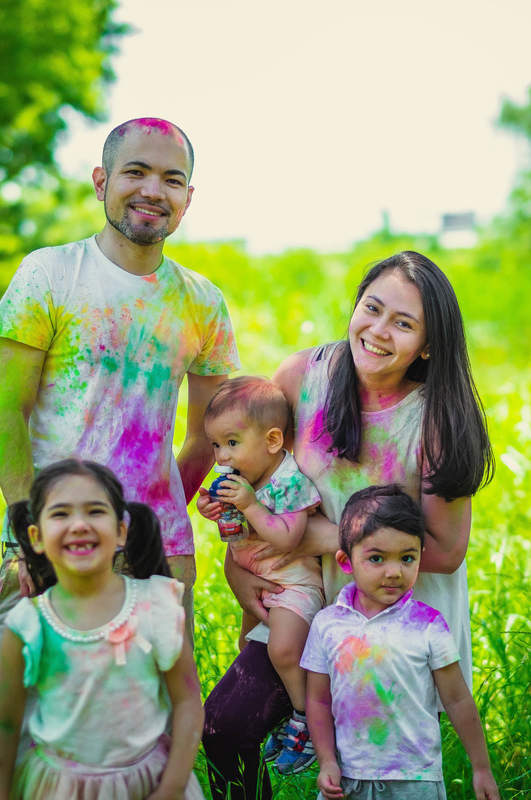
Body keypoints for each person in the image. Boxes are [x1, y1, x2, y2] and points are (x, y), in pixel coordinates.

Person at [0, 117, 240, 798]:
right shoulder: (49, 275)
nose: (154, 190)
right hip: (49, 539)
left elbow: (209, 433)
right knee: (15, 732)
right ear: (102, 182)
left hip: (157, 555)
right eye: (136, 173)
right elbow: (8, 412)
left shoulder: (202, 302)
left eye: (172, 179)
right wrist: (32, 525)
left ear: (188, 197)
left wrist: (152, 520)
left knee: (149, 737)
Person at [201, 251, 494, 800]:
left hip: (389, 621)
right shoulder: (301, 378)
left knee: (371, 781)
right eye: (372, 308)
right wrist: (237, 566)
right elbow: (258, 476)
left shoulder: (435, 419)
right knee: (222, 729)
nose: (378, 331)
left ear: (428, 344)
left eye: (403, 324)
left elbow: (447, 549)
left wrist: (317, 537)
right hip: (305, 600)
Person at [0, 459, 204, 800]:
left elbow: (188, 702)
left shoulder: (156, 607)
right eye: (60, 514)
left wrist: (172, 788)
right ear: (36, 537)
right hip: (58, 790)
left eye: (95, 511)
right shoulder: (28, 625)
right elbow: (4, 725)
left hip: (148, 784)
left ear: (120, 531)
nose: (79, 525)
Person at [305, 485, 499, 800]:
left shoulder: (428, 626)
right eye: (377, 558)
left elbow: (457, 700)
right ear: (345, 561)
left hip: (415, 781)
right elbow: (318, 701)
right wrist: (326, 761)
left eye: (407, 558)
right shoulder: (327, 625)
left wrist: (481, 767)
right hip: (346, 779)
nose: (394, 571)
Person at [197, 376, 323, 775]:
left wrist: (250, 506)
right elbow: (236, 536)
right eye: (216, 445)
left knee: (283, 650)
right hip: (262, 581)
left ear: (272, 440)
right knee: (244, 646)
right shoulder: (247, 479)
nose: (221, 457)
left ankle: (309, 721)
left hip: (295, 584)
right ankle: (285, 713)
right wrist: (215, 511)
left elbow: (288, 538)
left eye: (231, 443)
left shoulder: (288, 482)